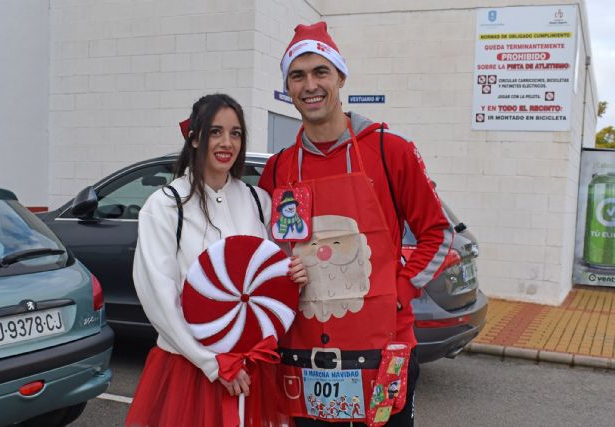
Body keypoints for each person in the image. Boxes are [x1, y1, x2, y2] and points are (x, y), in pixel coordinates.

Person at [258, 22, 453, 426]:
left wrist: (401, 287)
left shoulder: (390, 151)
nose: (310, 84)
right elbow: (270, 252)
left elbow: (439, 232)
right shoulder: (278, 169)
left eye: (320, 72)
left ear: (340, 77)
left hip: (384, 348)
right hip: (306, 353)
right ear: (288, 88)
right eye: (297, 75)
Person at [125, 93, 307, 427]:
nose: (227, 142)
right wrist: (211, 363)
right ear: (194, 138)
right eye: (215, 132)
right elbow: (160, 298)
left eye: (235, 133)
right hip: (191, 368)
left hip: (253, 367)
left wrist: (292, 272)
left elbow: (273, 271)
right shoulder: (166, 206)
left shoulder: (257, 199)